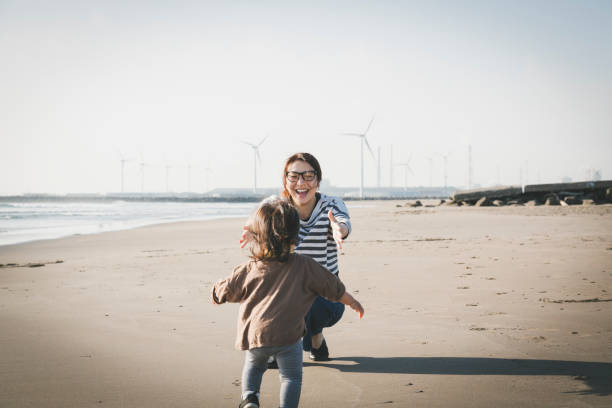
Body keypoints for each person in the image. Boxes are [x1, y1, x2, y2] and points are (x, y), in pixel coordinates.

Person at [212, 197, 364, 408]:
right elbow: (332, 286)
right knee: (291, 378)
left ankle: (249, 399)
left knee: (254, 366)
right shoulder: (306, 266)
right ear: (296, 236)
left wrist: (216, 293)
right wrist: (352, 301)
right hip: (290, 339)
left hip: (256, 336)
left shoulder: (250, 268)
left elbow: (228, 289)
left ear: (258, 236)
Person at [240, 152, 352, 361]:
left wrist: (339, 229)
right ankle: (278, 345)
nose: (301, 182)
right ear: (285, 180)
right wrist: (252, 228)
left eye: (308, 176)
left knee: (309, 300)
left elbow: (343, 222)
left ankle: (314, 336)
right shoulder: (277, 206)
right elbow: (257, 215)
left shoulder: (332, 204)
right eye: (294, 176)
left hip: (327, 299)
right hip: (285, 295)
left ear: (318, 180)